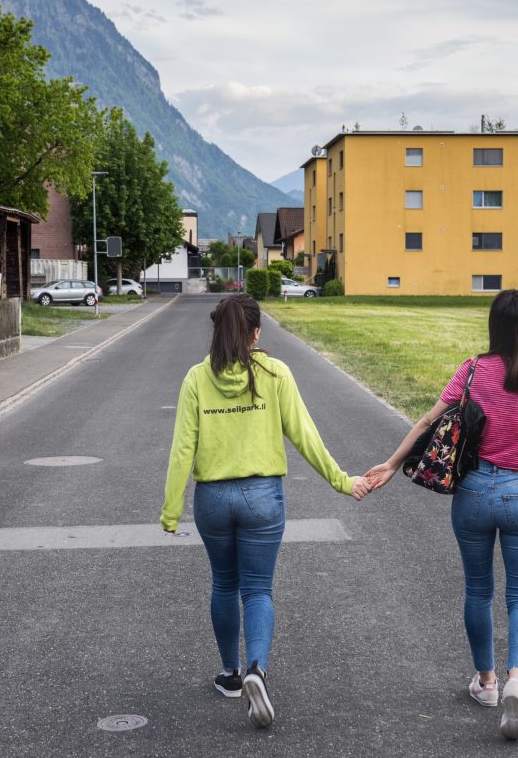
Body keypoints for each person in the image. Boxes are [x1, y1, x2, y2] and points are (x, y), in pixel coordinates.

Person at [357, 289, 518, 741]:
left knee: (479, 591)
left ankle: (488, 683)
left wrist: (393, 464)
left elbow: (426, 423)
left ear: (496, 328)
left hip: (474, 491)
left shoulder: (474, 369)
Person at [161, 294, 364, 729]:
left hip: (212, 500)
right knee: (257, 590)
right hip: (262, 498)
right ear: (255, 334)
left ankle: (231, 675)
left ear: (217, 331)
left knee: (223, 583)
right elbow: (304, 434)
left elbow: (182, 449)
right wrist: (342, 481)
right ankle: (257, 669)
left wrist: (171, 509)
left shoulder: (197, 378)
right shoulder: (275, 372)